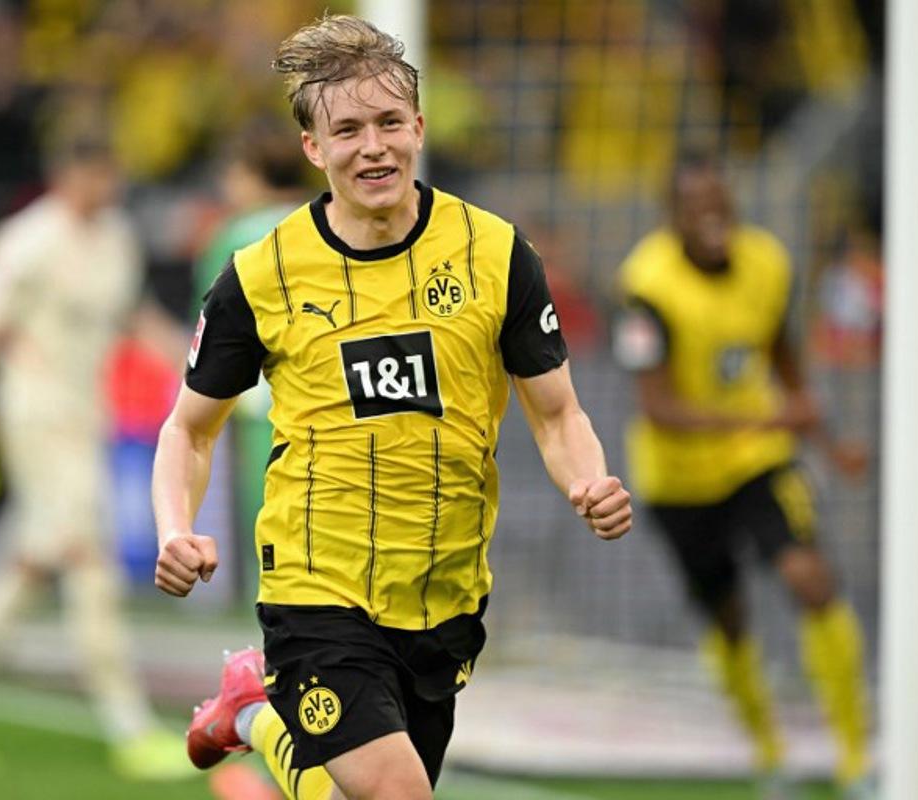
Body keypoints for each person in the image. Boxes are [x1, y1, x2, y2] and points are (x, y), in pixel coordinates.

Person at [152, 15, 632, 800]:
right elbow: (189, 429)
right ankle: (260, 701)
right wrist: (178, 528)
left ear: (418, 126)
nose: (372, 146)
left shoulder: (496, 254)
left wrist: (589, 480)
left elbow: (556, 414)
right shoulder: (261, 276)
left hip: (444, 589)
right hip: (316, 583)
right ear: (314, 148)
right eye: (347, 130)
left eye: (386, 123)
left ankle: (252, 711)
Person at [0, 134, 193, 782]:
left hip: (85, 416)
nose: (107, 185)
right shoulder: (25, 241)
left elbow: (129, 315)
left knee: (29, 562)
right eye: (97, 172)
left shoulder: (115, 236)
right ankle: (131, 727)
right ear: (66, 173)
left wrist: (196, 362)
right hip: (34, 415)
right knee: (90, 562)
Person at [613, 152, 873, 799]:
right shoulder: (647, 285)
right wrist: (766, 420)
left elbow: (782, 358)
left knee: (809, 578)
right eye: (695, 206)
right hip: (676, 479)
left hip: (758, 463)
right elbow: (658, 407)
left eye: (719, 202)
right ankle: (768, 752)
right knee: (727, 618)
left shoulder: (767, 263)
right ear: (671, 215)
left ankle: (857, 758)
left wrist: (827, 441)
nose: (711, 216)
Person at [194, 115, 311, 601]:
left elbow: (209, 323)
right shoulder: (323, 222)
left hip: (262, 405)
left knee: (271, 531)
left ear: (253, 173)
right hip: (327, 395)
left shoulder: (235, 236)